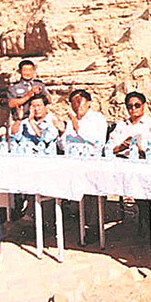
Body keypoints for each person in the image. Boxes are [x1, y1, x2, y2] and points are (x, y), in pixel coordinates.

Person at [107, 92, 151, 231]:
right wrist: (122, 146)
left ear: (143, 106)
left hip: (143, 164)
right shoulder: (121, 126)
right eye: (130, 106)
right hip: (122, 163)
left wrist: (140, 149)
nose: (133, 109)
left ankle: (149, 225)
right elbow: (108, 148)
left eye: (137, 105)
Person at [62, 89, 108, 241]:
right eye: (74, 102)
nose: (77, 105)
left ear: (88, 102)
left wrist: (77, 127)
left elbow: (98, 142)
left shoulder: (97, 119)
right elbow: (63, 143)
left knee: (92, 191)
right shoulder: (72, 121)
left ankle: (93, 226)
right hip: (73, 161)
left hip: (92, 162)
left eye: (80, 101)